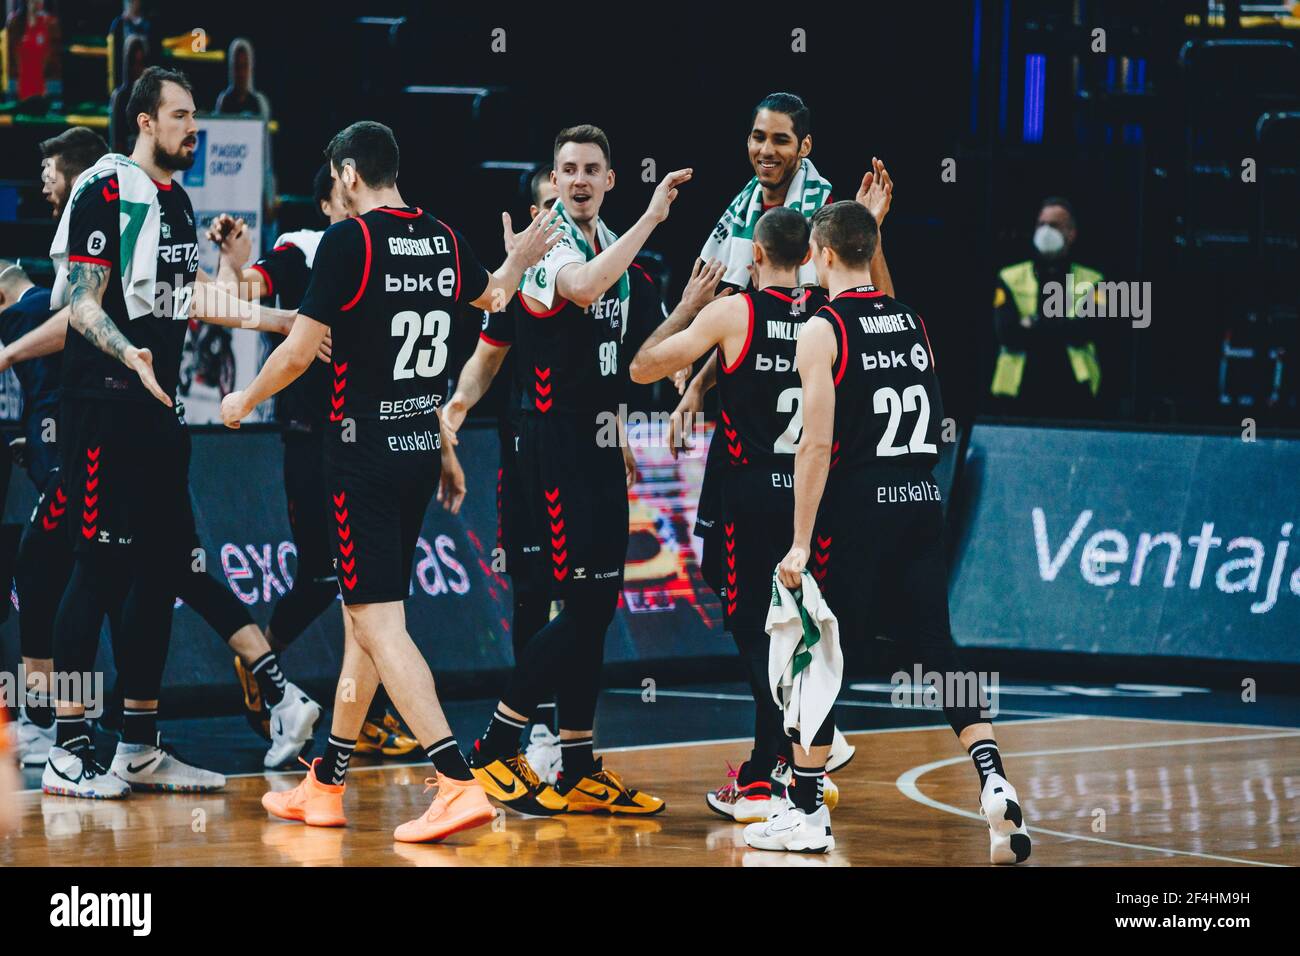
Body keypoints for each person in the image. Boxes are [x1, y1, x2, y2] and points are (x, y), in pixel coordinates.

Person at [220, 120, 561, 842]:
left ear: (346, 174)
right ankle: (325, 782)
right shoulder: (439, 235)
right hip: (416, 448)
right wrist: (522, 257)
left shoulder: (351, 241)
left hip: (361, 458)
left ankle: (454, 780)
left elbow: (299, 351)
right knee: (361, 625)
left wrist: (242, 400)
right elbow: (494, 299)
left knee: (378, 623)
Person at [45, 66, 307, 798]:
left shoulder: (178, 201)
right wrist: (128, 352)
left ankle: (139, 745)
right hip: (100, 403)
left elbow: (183, 296)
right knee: (95, 567)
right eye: (183, 115)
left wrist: (280, 319)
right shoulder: (106, 188)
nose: (196, 128)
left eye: (196, 116)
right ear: (145, 121)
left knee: (163, 572)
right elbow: (79, 300)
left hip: (157, 413)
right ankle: (69, 749)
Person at [756, 201, 1031, 862]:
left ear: (822, 255)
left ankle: (808, 813)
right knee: (937, 643)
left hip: (860, 507)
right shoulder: (913, 320)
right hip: (920, 497)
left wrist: (799, 540)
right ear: (868, 250)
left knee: (820, 654)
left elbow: (814, 444)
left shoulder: (821, 328)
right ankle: (994, 778)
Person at [444, 125, 690, 815]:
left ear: (609, 178)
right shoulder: (550, 249)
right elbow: (574, 294)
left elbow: (648, 351)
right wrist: (456, 409)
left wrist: (698, 333)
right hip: (548, 445)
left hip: (598, 445)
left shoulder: (627, 265)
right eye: (567, 169)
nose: (578, 180)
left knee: (596, 608)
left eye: (590, 169)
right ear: (553, 182)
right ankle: (498, 745)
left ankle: (577, 765)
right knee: (572, 606)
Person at [214, 165, 424, 759]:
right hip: (313, 438)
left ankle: (368, 716)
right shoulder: (307, 247)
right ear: (332, 199)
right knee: (324, 577)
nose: (364, 209)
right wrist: (236, 261)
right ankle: (260, 659)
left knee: (372, 590)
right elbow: (246, 291)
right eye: (351, 199)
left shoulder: (384, 251)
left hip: (375, 441)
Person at [988, 196, 1104, 419]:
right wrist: (1063, 326)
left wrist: (1033, 323)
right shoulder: (1010, 276)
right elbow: (1007, 333)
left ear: (1071, 233)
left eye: (1054, 225)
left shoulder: (1093, 279)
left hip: (1074, 389)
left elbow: (1086, 331)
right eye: (1041, 224)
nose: (1045, 231)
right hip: (1019, 390)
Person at [6, 0, 61, 102]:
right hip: (18, 91)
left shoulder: (49, 24)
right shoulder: (15, 24)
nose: (39, 2)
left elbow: (52, 58)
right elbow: (12, 58)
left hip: (43, 91)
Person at [108, 34, 149, 155]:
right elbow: (116, 140)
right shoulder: (120, 97)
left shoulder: (151, 96)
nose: (138, 69)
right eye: (134, 63)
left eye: (142, 63)